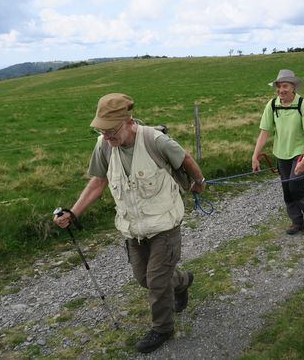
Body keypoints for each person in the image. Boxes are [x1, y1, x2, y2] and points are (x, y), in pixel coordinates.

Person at [53, 93, 206, 354]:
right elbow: (98, 182)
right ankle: (182, 281)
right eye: (102, 130)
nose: (107, 136)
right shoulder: (103, 146)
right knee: (144, 279)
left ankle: (163, 328)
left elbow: (187, 159)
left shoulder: (155, 140)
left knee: (157, 281)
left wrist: (198, 182)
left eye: (111, 130)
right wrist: (74, 213)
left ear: (128, 120)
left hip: (164, 225)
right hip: (133, 229)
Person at [252, 69, 304, 236]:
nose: (281, 90)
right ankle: (296, 222)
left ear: (293, 87)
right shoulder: (272, 105)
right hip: (281, 153)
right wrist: (255, 155)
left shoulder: (303, 104)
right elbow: (264, 132)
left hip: (299, 152)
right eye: (279, 86)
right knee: (287, 190)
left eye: (285, 86)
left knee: (295, 185)